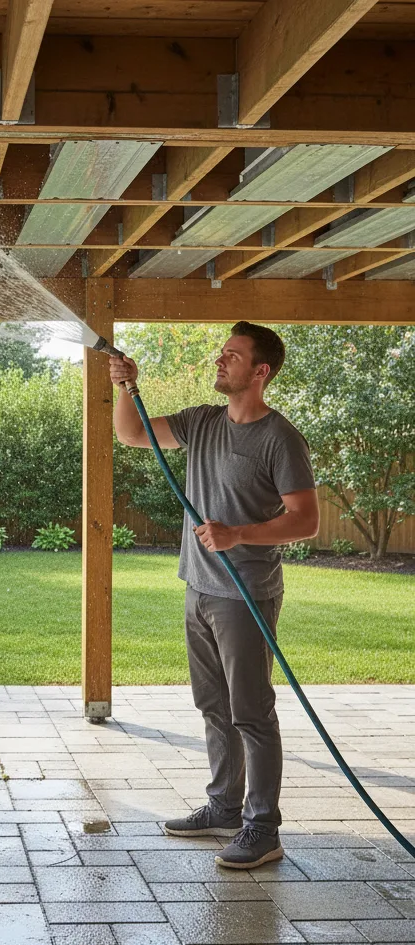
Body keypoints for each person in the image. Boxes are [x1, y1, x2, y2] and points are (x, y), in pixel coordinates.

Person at [110, 322, 319, 870]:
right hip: (198, 586)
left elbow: (307, 521)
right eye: (222, 352)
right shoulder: (202, 421)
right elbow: (132, 434)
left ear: (260, 372)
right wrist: (125, 386)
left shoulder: (280, 438)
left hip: (244, 593)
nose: (220, 361)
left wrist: (240, 534)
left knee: (251, 711)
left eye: (233, 355)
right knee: (213, 707)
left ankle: (263, 828)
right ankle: (225, 807)